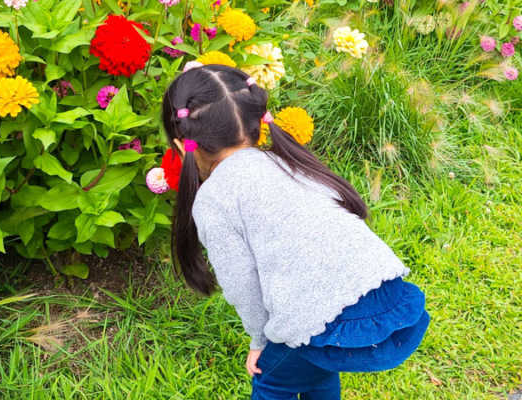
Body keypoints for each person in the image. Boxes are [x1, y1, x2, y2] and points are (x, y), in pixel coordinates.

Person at [161, 64, 430, 400]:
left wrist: (260, 341)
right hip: (381, 287)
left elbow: (242, 284)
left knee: (272, 380)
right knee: (315, 371)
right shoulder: (288, 160)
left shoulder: (214, 199)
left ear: (181, 142)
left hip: (321, 316)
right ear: (257, 123)